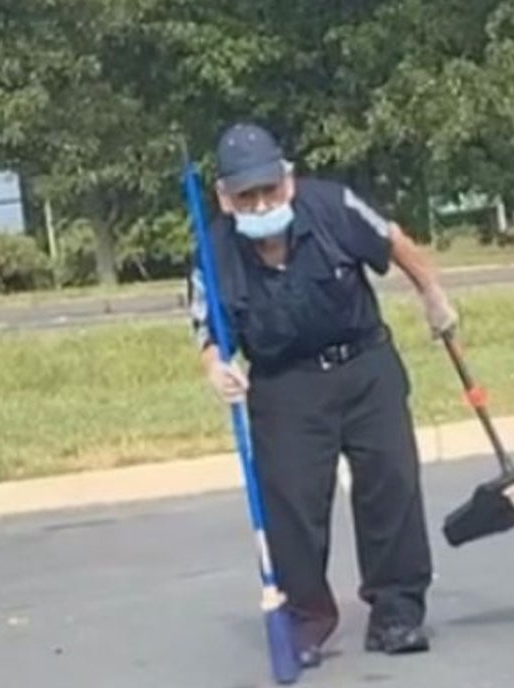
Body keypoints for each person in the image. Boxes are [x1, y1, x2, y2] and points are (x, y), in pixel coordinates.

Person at [187, 122, 458, 667]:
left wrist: (433, 294)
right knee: (290, 500)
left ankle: (397, 612)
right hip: (286, 385)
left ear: (288, 180)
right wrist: (215, 367)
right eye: (246, 195)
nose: (261, 203)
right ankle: (307, 618)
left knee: (391, 480)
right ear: (224, 197)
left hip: (364, 365)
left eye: (269, 188)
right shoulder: (214, 249)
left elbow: (394, 241)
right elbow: (206, 328)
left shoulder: (332, 205)